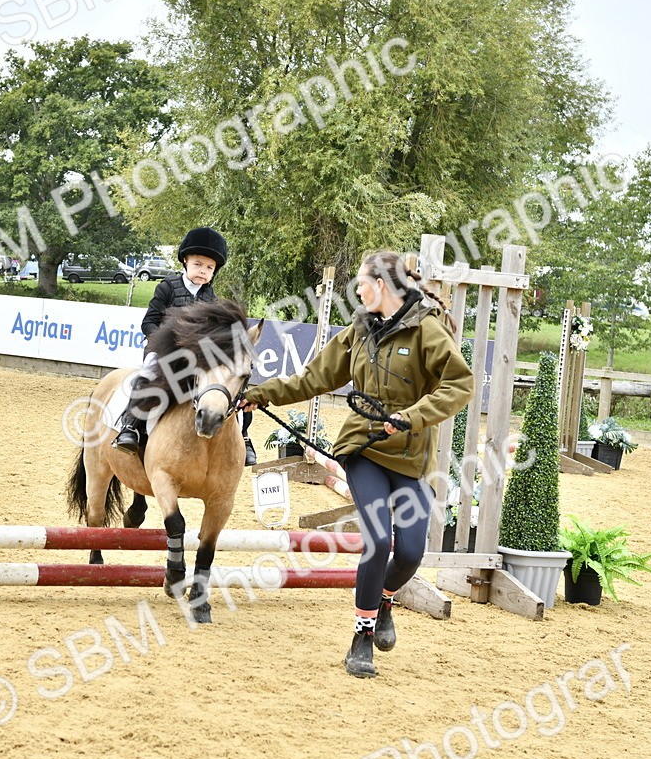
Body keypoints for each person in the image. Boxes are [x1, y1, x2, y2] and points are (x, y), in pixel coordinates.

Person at [240, 250, 474, 678]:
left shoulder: (427, 329)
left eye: (362, 283)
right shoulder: (359, 331)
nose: (358, 290)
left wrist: (412, 416)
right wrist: (261, 393)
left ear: (381, 285)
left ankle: (385, 600)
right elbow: (313, 378)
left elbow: (460, 383)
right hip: (363, 448)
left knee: (409, 552)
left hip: (410, 455)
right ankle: (361, 637)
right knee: (377, 541)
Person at [112, 226, 257, 464]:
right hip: (163, 354)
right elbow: (149, 321)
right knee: (147, 372)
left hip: (198, 360)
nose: (203, 271)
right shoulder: (167, 287)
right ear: (185, 261)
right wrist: (161, 343)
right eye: (198, 264)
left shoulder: (212, 299)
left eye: (209, 268)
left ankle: (244, 436)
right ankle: (131, 427)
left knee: (231, 384)